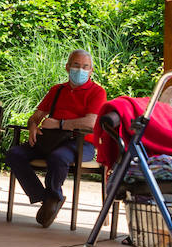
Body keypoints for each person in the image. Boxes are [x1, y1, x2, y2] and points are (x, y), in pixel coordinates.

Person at [6, 50, 106, 228]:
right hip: (50, 139)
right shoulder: (57, 90)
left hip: (81, 142)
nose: (80, 70)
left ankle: (53, 196)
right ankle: (46, 198)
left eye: (85, 67)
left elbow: (91, 123)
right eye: (76, 65)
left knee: (58, 158)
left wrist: (59, 124)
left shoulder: (97, 92)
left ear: (91, 71)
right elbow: (36, 116)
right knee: (14, 154)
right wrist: (33, 126)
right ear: (68, 67)